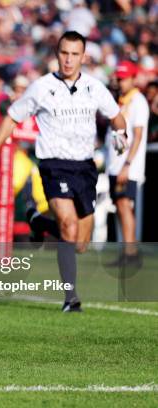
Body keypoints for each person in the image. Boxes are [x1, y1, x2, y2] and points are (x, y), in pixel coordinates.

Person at [0, 31, 129, 312]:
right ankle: (71, 298)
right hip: (53, 165)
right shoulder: (41, 87)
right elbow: (11, 118)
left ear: (84, 57)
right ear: (57, 54)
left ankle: (39, 222)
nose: (69, 59)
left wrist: (122, 134)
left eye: (74, 54)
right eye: (64, 53)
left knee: (81, 243)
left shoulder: (95, 87)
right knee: (69, 227)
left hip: (85, 167)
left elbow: (116, 116)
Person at [106, 61, 149, 268]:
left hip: (126, 166)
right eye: (119, 78)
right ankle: (126, 251)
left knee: (125, 206)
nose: (120, 82)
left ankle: (131, 253)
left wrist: (127, 165)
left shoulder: (138, 101)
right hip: (116, 164)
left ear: (133, 79)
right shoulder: (121, 100)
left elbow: (138, 135)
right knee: (120, 207)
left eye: (124, 78)